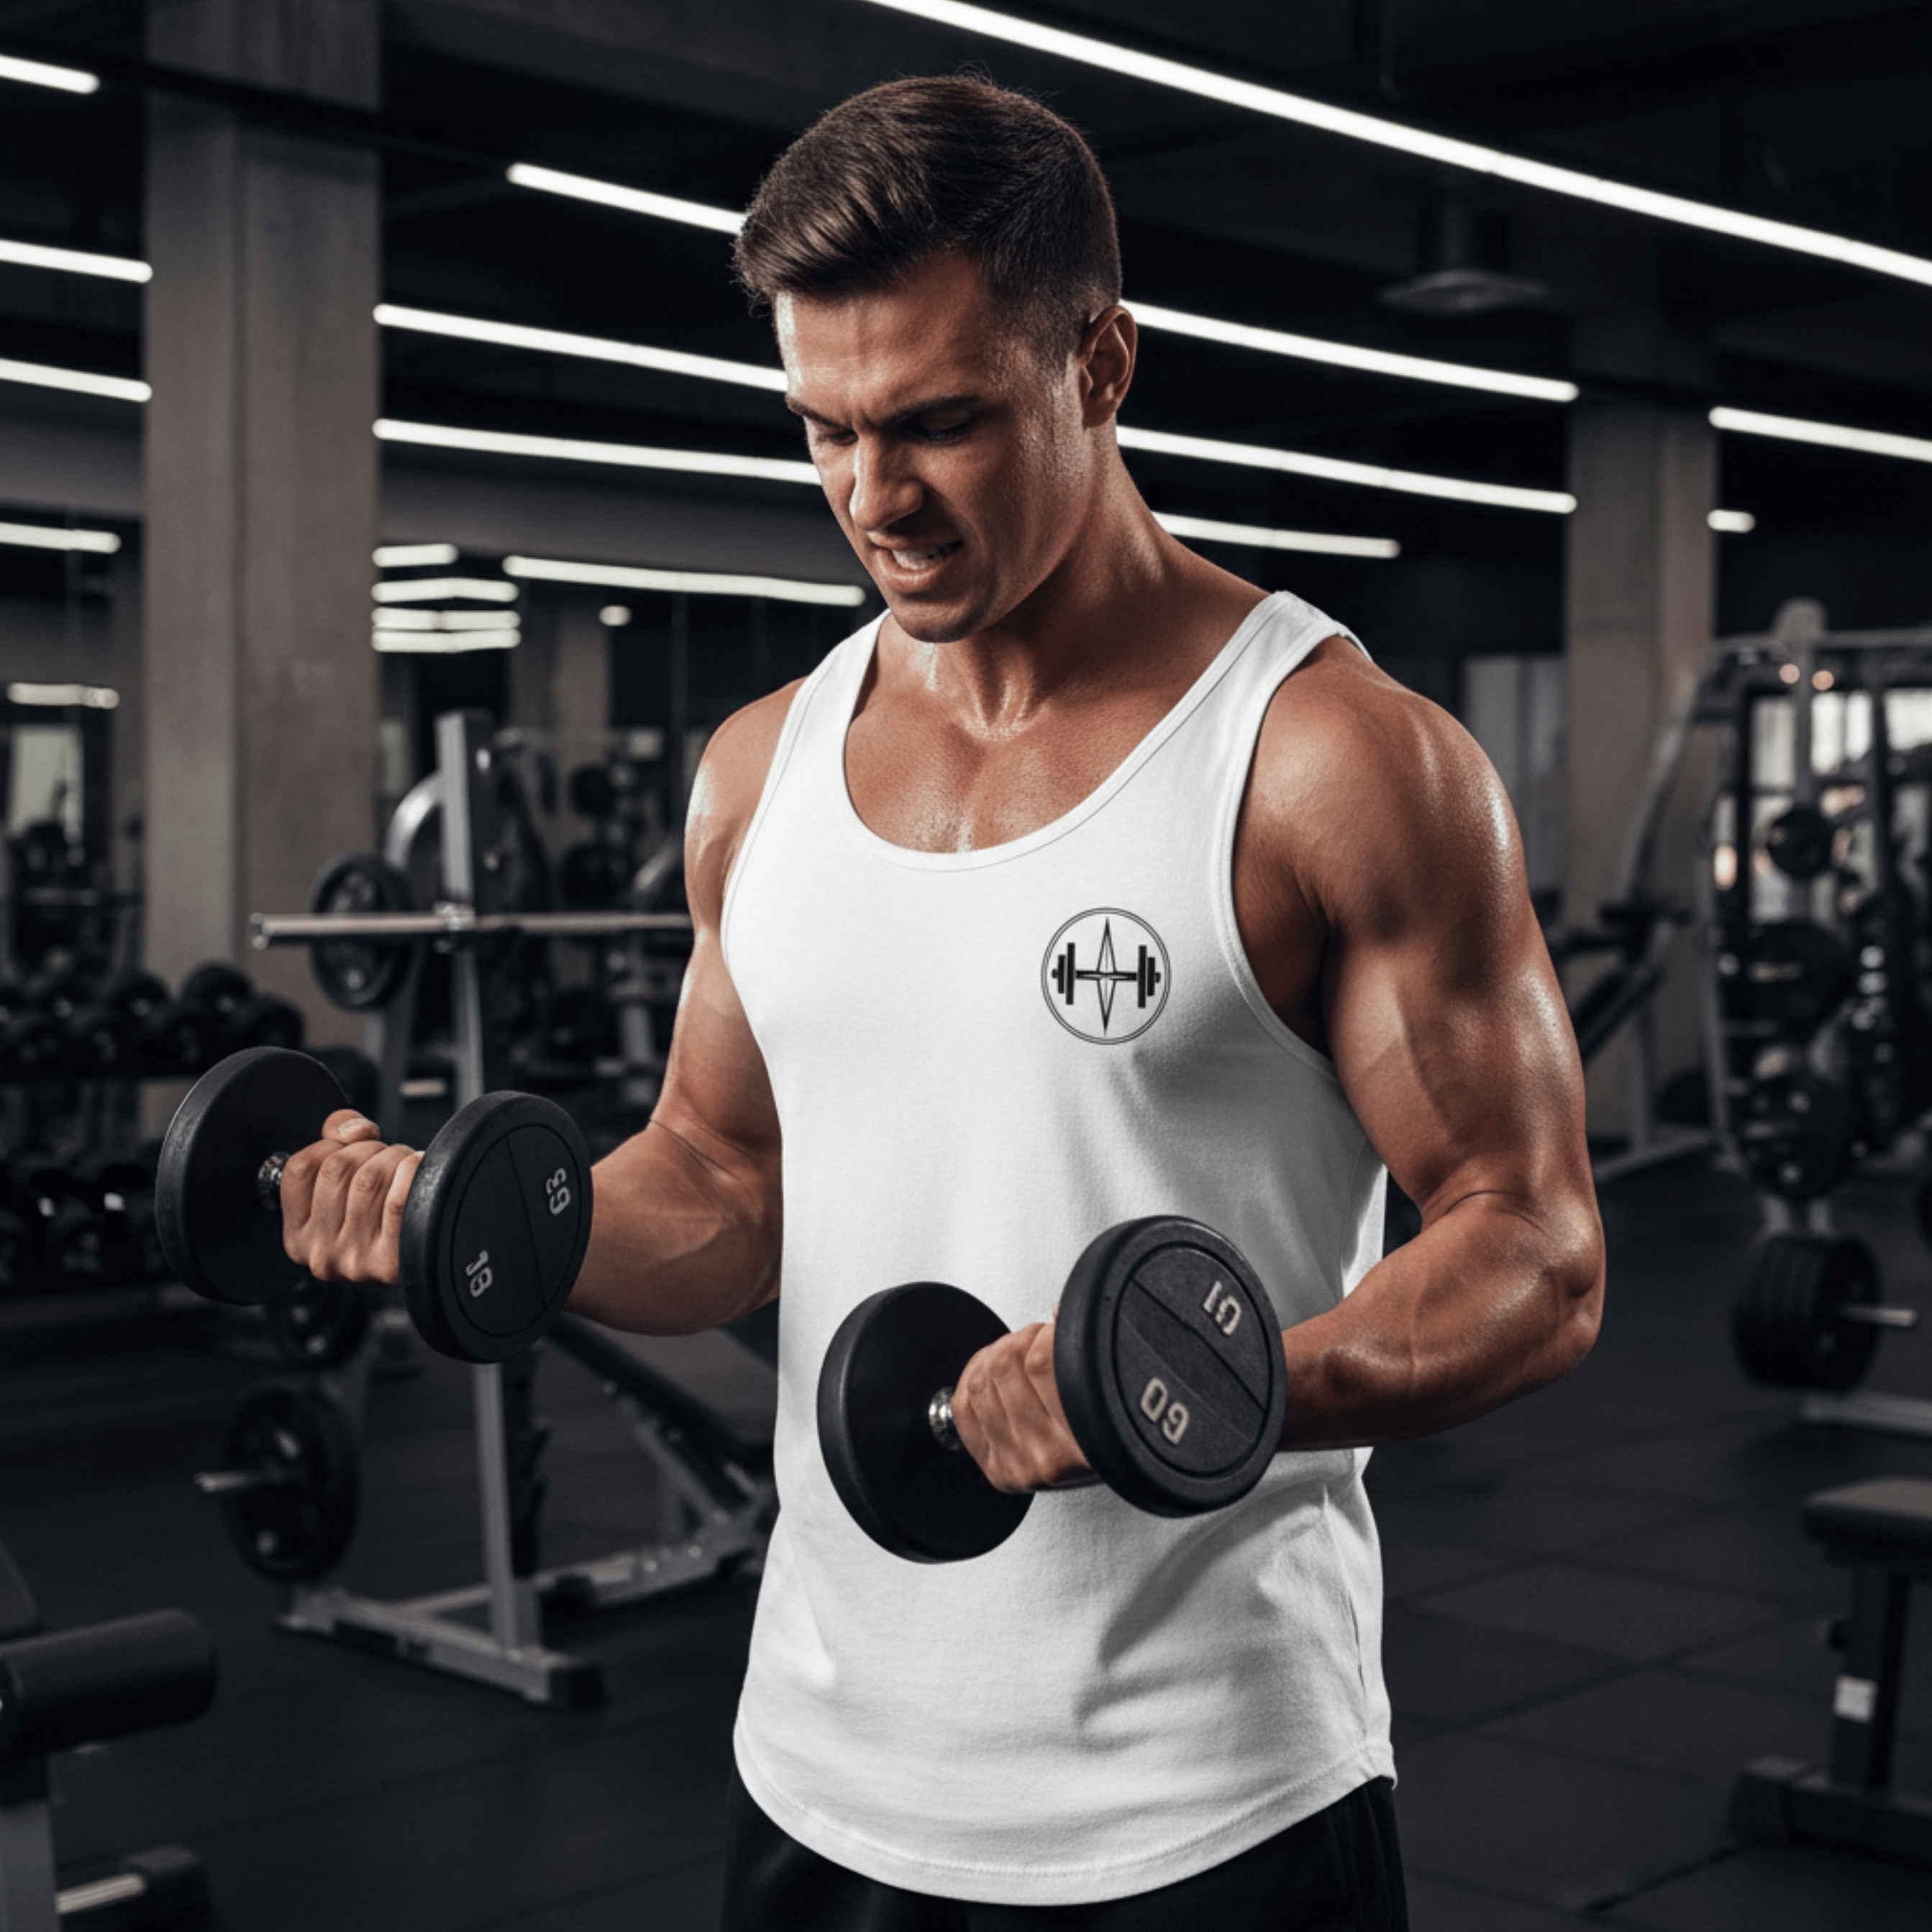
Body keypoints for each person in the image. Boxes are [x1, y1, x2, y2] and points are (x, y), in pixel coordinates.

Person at [280, 76, 1605, 1931]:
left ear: (1103, 365)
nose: (873, 501)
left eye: (941, 425)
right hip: (822, 1778)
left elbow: (1532, 1245)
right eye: (824, 430)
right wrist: (491, 1218)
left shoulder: (1326, 761)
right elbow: (726, 1188)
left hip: (1210, 1800)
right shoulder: (762, 772)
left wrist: (1205, 1385)